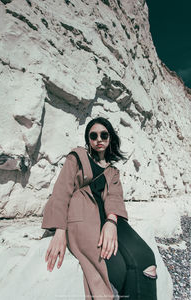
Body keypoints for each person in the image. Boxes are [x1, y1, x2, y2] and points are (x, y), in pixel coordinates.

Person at [41, 117, 157, 300]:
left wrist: (111, 221)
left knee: (147, 261)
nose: (99, 139)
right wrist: (60, 231)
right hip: (83, 218)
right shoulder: (77, 158)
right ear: (88, 140)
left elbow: (115, 197)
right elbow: (61, 192)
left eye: (104, 135)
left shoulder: (113, 171)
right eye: (93, 136)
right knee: (118, 269)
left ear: (110, 138)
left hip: (109, 218)